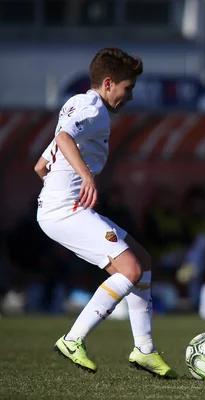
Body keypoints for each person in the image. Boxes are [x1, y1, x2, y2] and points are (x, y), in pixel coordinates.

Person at [34, 48, 176, 378]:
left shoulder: (76, 104)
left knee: (142, 260)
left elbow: (41, 164)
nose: (130, 95)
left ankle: (144, 349)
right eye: (128, 87)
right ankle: (73, 339)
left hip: (61, 207)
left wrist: (58, 187)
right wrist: (83, 179)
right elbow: (64, 137)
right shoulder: (92, 108)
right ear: (109, 83)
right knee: (129, 269)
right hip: (64, 210)